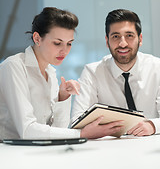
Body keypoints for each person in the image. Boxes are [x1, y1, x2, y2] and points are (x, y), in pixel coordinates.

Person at [0, 7, 123, 140]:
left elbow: (58, 130)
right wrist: (82, 134)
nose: (64, 51)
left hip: (39, 152)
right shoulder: (13, 66)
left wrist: (63, 97)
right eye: (57, 43)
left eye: (69, 44)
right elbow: (27, 130)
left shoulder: (51, 73)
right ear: (37, 38)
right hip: (10, 154)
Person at [71, 9, 160, 137]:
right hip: (108, 148)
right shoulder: (92, 72)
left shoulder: (157, 68)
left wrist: (153, 125)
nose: (122, 43)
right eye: (115, 36)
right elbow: (76, 120)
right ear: (107, 41)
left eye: (129, 35)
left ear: (140, 39)